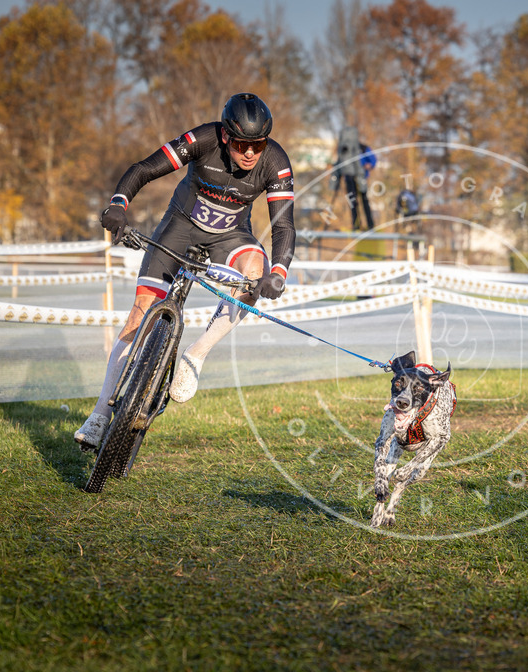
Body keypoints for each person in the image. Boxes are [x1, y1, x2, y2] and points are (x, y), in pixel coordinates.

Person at [74, 93, 295, 449]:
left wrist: (279, 273)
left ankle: (196, 355)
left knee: (257, 271)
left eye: (258, 144)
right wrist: (118, 203)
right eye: (242, 144)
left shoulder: (275, 161)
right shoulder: (203, 139)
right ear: (225, 136)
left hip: (231, 236)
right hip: (179, 227)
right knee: (139, 314)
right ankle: (100, 414)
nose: (250, 153)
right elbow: (145, 169)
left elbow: (283, 225)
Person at [330, 126, 376, 230]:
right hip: (349, 178)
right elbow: (338, 165)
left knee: (364, 200)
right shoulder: (342, 150)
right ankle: (356, 224)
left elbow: (373, 160)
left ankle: (370, 224)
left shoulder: (362, 148)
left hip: (361, 178)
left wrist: (369, 165)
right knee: (353, 201)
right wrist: (334, 183)